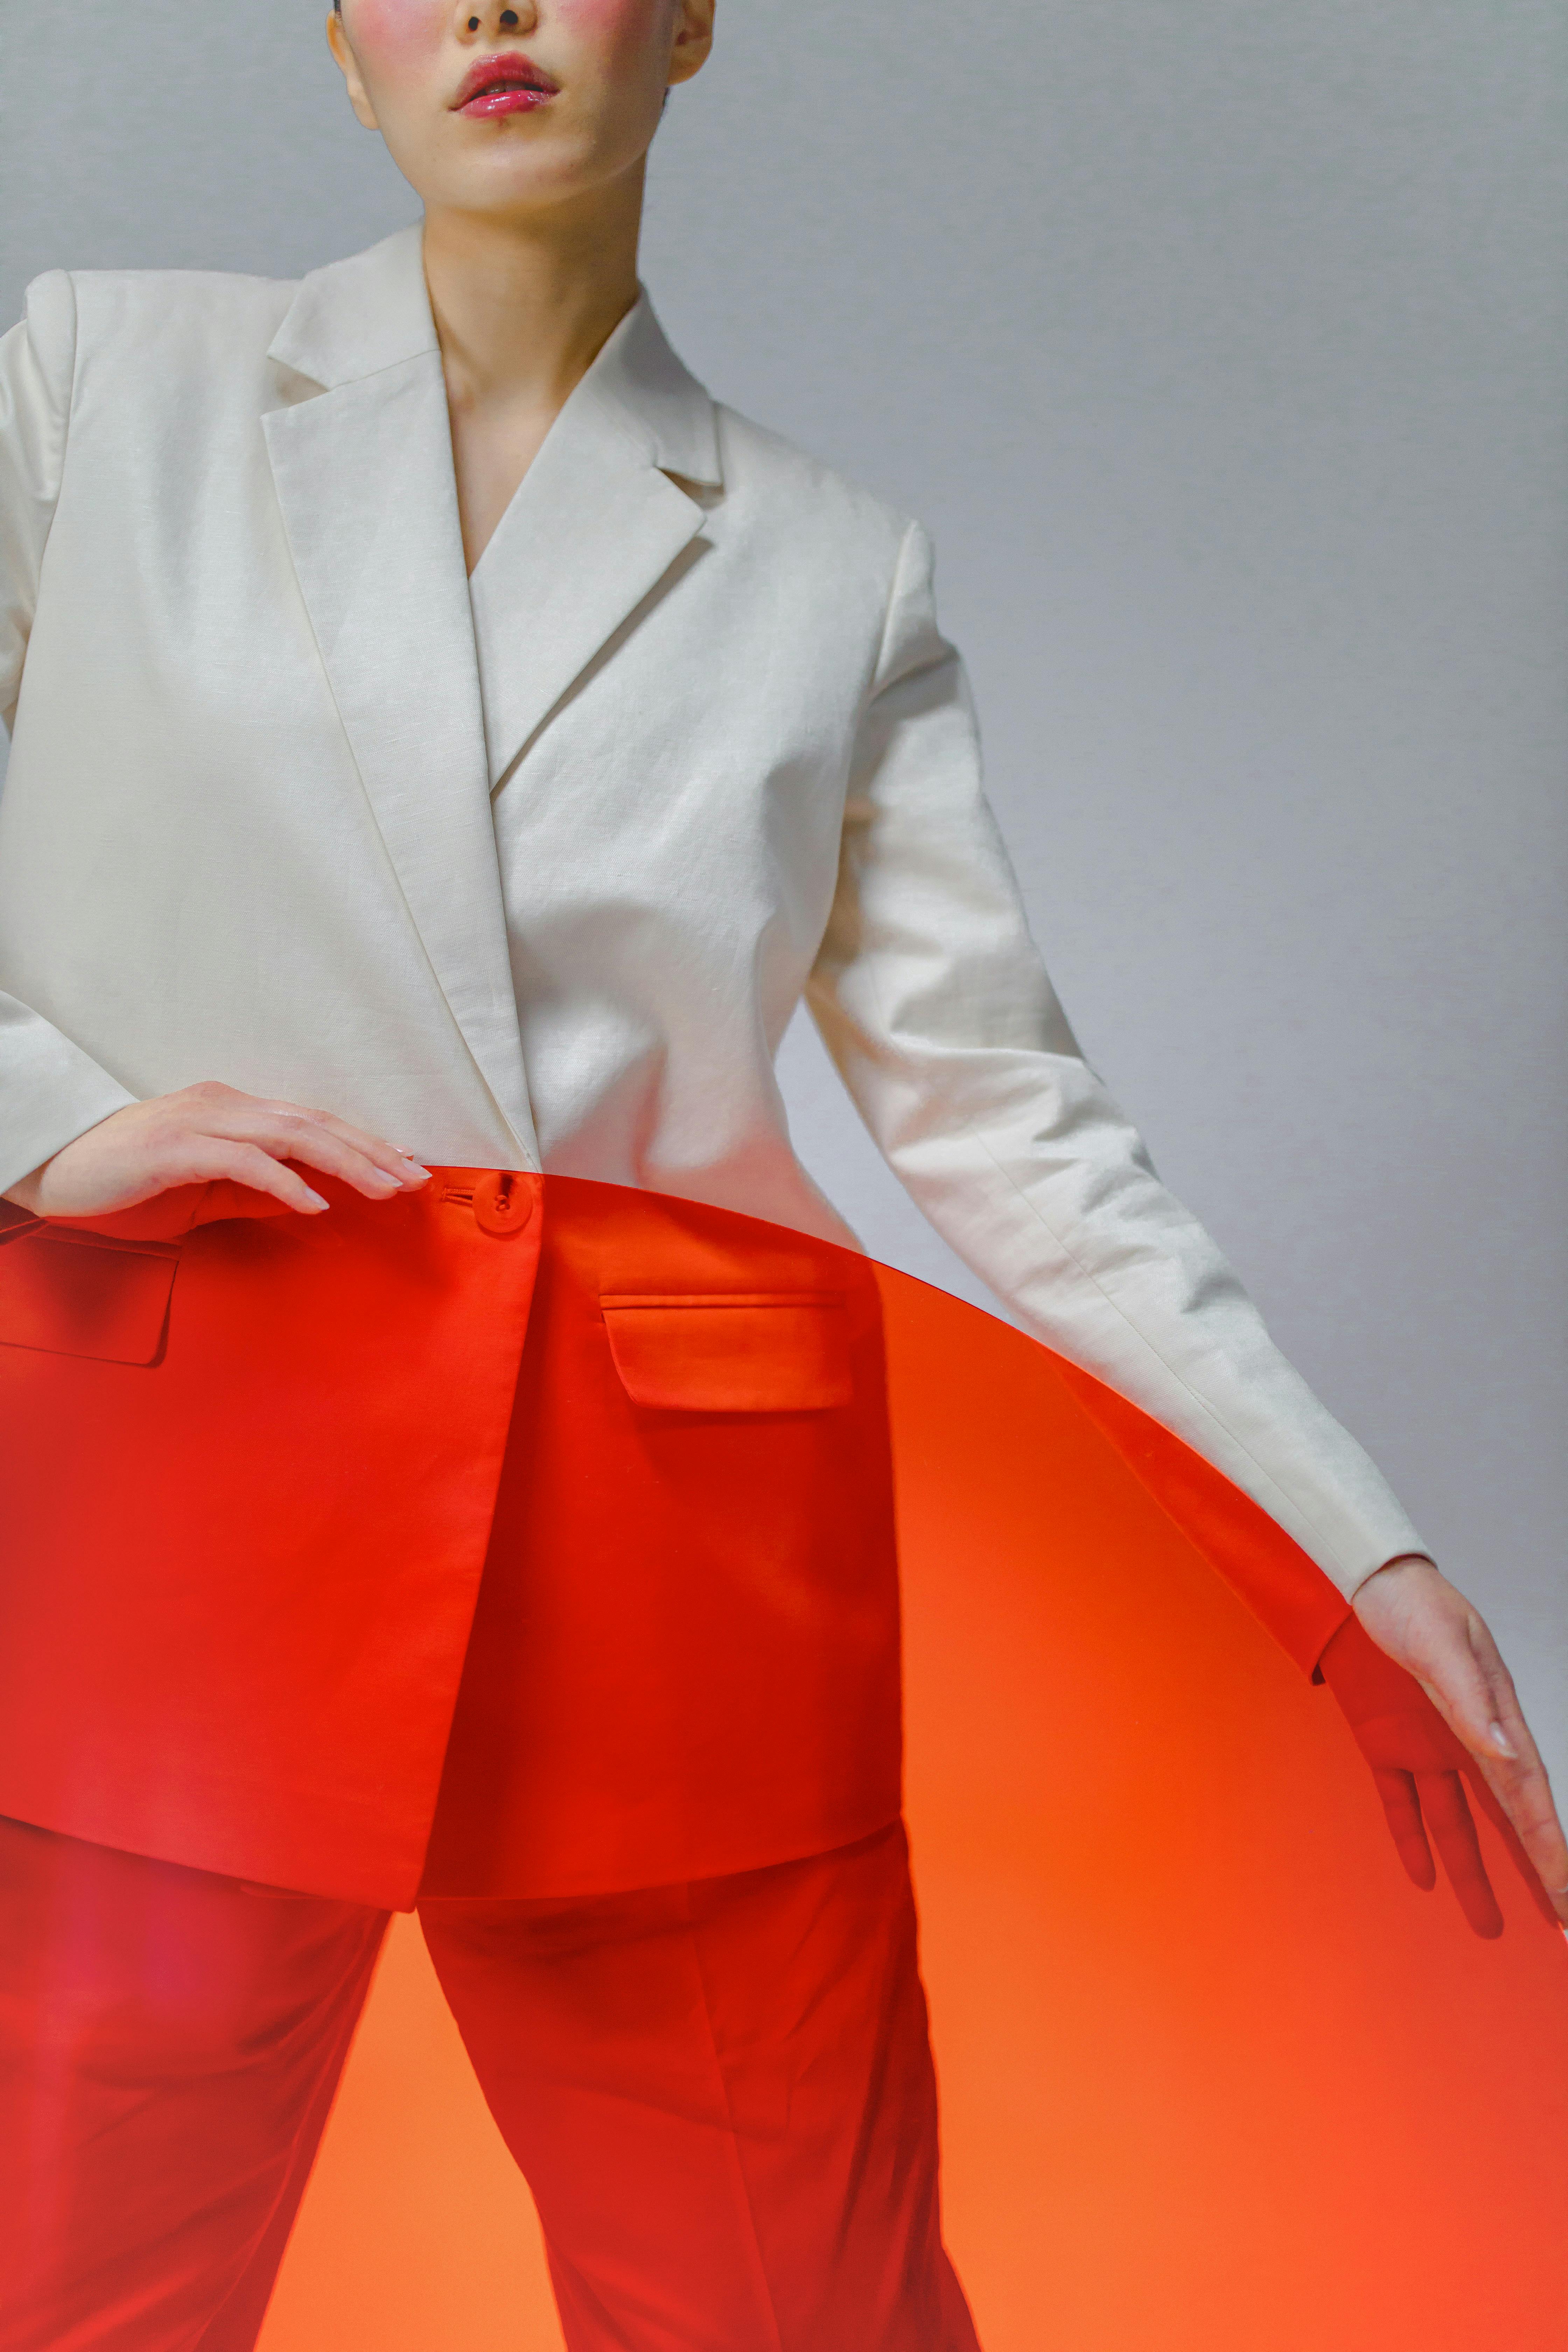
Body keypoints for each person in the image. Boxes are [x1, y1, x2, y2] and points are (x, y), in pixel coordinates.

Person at [0, 4, 1561, 2347]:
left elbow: (1001, 1108)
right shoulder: (100, 381)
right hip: (170, 1530)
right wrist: (45, 1106)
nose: (505, 9)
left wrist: (1365, 1535)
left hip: (666, 1575)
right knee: (64, 2287)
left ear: (695, 20)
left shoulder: (831, 567)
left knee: (790, 2311)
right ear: (340, 44)